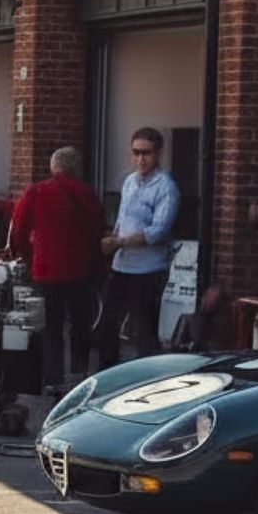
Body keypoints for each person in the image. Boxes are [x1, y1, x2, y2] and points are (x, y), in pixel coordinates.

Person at [9, 146, 106, 388]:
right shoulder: (87, 193)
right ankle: (79, 373)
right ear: (77, 168)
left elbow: (18, 231)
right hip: (80, 270)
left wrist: (30, 258)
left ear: (54, 167)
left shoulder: (37, 192)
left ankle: (52, 377)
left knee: (50, 327)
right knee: (80, 324)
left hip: (46, 270)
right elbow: (98, 229)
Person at [101, 125, 181, 360]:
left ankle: (148, 382)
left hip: (148, 269)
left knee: (144, 331)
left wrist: (122, 242)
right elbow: (123, 217)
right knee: (108, 325)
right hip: (121, 266)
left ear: (157, 155)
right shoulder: (129, 182)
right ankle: (107, 377)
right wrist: (114, 236)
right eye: (136, 152)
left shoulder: (166, 187)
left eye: (146, 153)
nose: (140, 159)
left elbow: (157, 230)